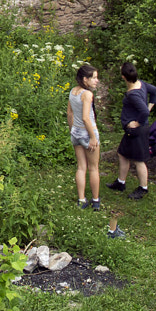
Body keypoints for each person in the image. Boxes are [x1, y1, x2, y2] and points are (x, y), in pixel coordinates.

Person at [109, 61, 156, 200]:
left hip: (138, 131)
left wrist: (138, 122)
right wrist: (149, 107)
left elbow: (144, 112)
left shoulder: (133, 94)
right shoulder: (141, 84)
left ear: (123, 77)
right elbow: (155, 92)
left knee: (139, 160)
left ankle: (143, 188)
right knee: (122, 154)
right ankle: (120, 182)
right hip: (133, 131)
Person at [68, 63, 102, 210]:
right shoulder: (87, 94)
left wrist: (72, 130)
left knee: (81, 167)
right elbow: (86, 118)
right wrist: (93, 137)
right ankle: (95, 201)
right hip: (87, 132)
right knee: (94, 168)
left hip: (75, 132)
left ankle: (81, 199)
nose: (96, 81)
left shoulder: (73, 91)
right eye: (94, 78)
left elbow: (70, 113)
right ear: (85, 79)